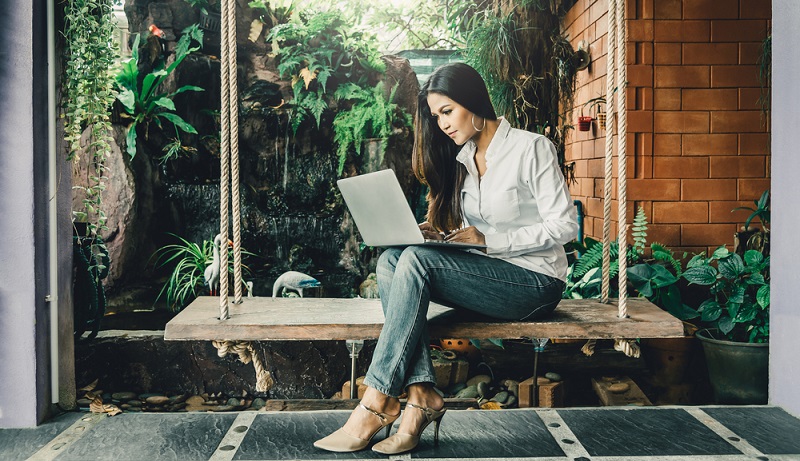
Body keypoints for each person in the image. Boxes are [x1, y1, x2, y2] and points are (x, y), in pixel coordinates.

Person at [314, 62, 578, 455]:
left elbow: (565, 226)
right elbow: (472, 234)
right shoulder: (464, 161)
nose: (442, 124)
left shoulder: (531, 147)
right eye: (436, 115)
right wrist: (438, 236)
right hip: (490, 279)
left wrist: (491, 240)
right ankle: (422, 394)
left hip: (535, 284)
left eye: (447, 111)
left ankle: (378, 399)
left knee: (416, 262)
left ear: (472, 101)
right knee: (391, 259)